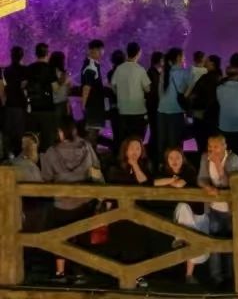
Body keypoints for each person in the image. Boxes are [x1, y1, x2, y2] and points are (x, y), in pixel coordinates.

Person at [41, 117, 102, 285]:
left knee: (60, 236)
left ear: (60, 132)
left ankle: (60, 272)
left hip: (62, 202)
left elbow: (46, 177)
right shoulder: (86, 147)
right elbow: (96, 170)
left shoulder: (51, 152)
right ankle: (79, 272)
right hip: (84, 201)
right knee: (82, 236)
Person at [106, 137, 153, 287]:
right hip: (119, 212)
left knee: (138, 243)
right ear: (125, 150)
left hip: (139, 211)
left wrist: (135, 165)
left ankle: (138, 275)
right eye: (132, 148)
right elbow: (111, 190)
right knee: (120, 242)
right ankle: (119, 275)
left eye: (138, 148)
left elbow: (145, 182)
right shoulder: (115, 167)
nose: (135, 151)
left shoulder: (145, 165)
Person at [154, 147, 205, 285]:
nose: (174, 161)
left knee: (189, 231)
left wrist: (170, 181)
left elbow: (180, 184)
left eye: (177, 157)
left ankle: (189, 274)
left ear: (183, 159)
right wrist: (170, 180)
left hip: (192, 211)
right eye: (171, 158)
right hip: (170, 211)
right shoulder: (163, 172)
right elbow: (155, 182)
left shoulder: (189, 171)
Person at [198, 134, 238, 288]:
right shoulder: (204, 158)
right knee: (214, 242)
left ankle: (230, 276)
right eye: (210, 146)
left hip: (230, 209)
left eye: (215, 147)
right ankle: (216, 277)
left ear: (224, 146)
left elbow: (230, 183)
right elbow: (201, 178)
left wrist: (217, 164)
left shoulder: (233, 159)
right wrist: (208, 187)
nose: (212, 150)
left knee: (230, 242)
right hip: (213, 208)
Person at [156, 48, 191, 169]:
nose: (184, 58)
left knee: (162, 141)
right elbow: (187, 92)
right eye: (183, 56)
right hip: (176, 111)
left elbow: (160, 93)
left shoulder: (164, 72)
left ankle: (162, 165)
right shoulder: (184, 73)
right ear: (178, 58)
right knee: (174, 142)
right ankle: (175, 167)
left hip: (161, 111)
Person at [112, 43, 152, 150]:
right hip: (138, 111)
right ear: (139, 53)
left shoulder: (119, 69)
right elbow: (148, 89)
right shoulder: (140, 70)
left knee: (124, 141)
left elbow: (113, 86)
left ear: (127, 52)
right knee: (138, 140)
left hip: (123, 111)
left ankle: (124, 159)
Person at [25, 44, 59, 152]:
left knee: (32, 139)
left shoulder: (29, 68)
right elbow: (55, 88)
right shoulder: (50, 68)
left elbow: (24, 86)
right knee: (47, 140)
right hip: (47, 108)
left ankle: (32, 159)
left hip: (33, 107)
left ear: (36, 53)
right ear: (47, 54)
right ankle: (45, 160)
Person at [80, 40, 107, 151]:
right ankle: (89, 157)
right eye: (99, 51)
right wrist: (83, 104)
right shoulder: (91, 67)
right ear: (92, 51)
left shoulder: (94, 65)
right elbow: (87, 87)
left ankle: (91, 156)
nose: (101, 53)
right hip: (93, 107)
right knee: (91, 136)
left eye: (101, 50)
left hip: (95, 106)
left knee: (94, 135)